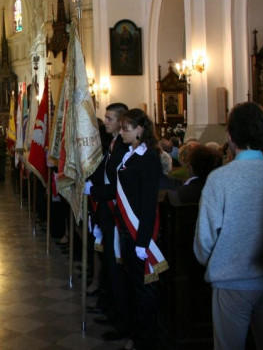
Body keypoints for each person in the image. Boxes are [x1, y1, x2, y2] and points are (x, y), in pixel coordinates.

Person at [194, 102, 263, 350]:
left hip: (230, 282)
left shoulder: (219, 178)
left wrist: (215, 261)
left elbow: (205, 239)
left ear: (230, 136)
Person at [116, 108, 167, 350]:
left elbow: (148, 204)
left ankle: (147, 340)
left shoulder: (148, 159)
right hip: (128, 230)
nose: (121, 131)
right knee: (135, 288)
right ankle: (138, 335)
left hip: (140, 234)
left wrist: (142, 241)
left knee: (145, 291)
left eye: (126, 128)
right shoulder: (132, 154)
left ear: (140, 129)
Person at [87, 103, 132, 344]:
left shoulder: (124, 148)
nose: (105, 122)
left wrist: (96, 190)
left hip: (116, 211)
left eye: (109, 118)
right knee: (107, 261)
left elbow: (117, 183)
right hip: (106, 209)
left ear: (121, 120)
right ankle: (112, 310)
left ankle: (122, 320)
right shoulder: (113, 145)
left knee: (116, 267)